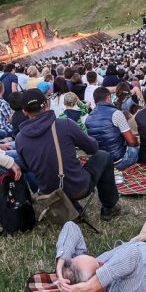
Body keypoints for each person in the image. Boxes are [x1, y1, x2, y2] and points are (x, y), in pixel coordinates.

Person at [15, 89, 121, 219]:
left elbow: (28, 167)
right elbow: (93, 148)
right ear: (47, 105)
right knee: (103, 156)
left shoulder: (20, 138)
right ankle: (109, 208)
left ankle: (74, 211)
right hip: (77, 188)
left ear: (25, 112)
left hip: (48, 192)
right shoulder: (65, 125)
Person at [86, 86, 139, 170]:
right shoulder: (116, 113)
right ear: (108, 98)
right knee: (135, 147)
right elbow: (131, 141)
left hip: (101, 161)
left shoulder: (88, 118)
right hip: (119, 160)